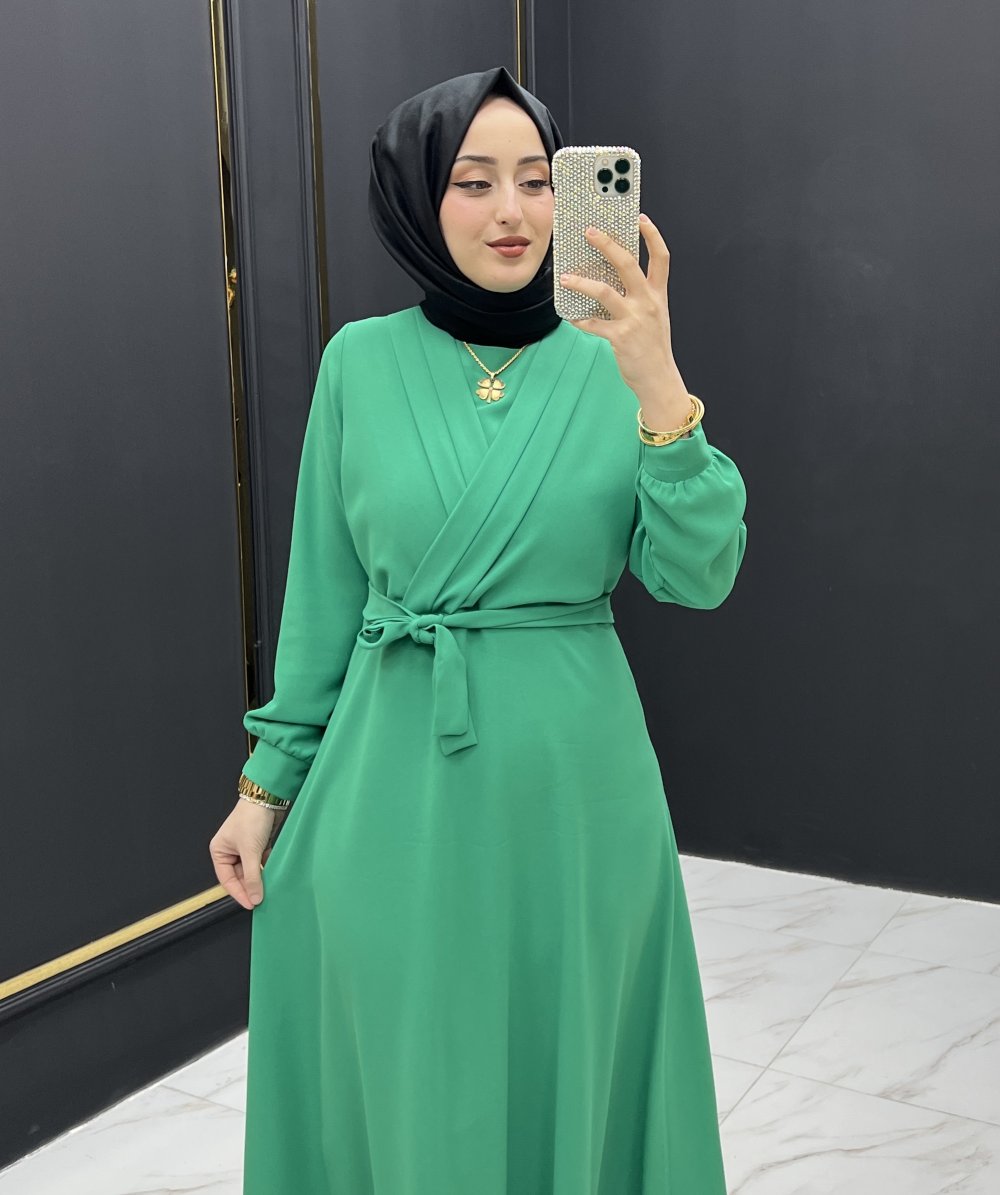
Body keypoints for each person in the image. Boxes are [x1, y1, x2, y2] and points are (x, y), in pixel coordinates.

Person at [210, 64, 747, 1195]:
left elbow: (699, 576)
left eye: (538, 181)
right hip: (391, 780)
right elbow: (323, 594)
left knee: (573, 1042)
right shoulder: (357, 362)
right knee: (411, 1054)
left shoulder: (618, 360)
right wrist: (267, 783)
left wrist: (659, 383)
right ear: (419, 196)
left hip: (575, 786)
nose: (512, 211)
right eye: (472, 180)